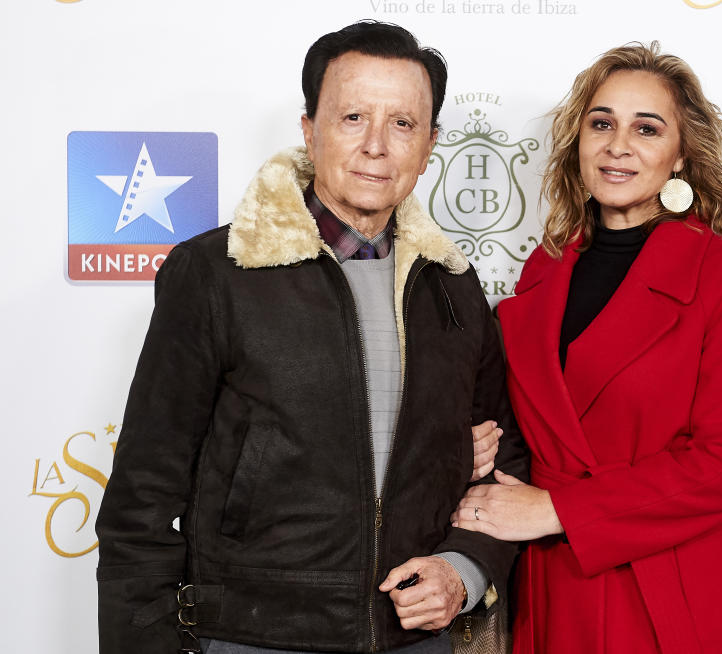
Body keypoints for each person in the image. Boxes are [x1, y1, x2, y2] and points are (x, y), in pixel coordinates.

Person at [95, 21, 526, 654]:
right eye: (353, 116)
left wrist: (462, 571)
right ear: (309, 129)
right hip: (251, 632)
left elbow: (505, 461)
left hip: (412, 637)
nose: (376, 145)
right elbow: (142, 495)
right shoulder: (218, 273)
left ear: (430, 144)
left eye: (403, 124)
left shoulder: (453, 287)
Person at [451, 43, 722, 654]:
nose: (618, 144)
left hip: (673, 583)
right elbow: (520, 422)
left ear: (682, 155)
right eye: (601, 123)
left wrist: (560, 511)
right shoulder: (542, 272)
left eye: (646, 128)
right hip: (556, 582)